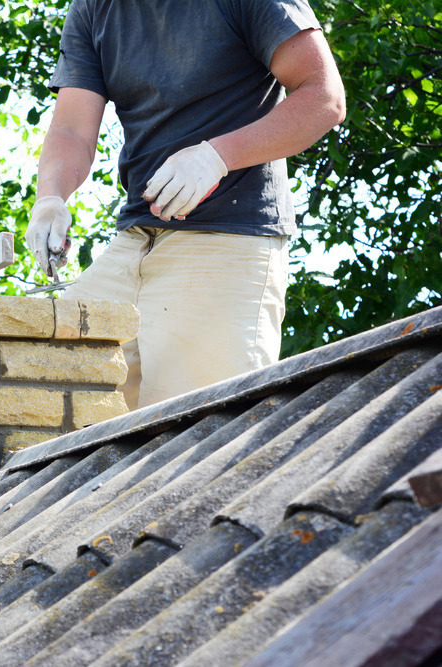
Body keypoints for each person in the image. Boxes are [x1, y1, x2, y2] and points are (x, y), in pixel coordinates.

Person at [26, 0, 346, 410]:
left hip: (228, 238)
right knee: (44, 394)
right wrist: (50, 198)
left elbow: (324, 97)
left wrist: (216, 156)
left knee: (197, 432)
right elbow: (71, 129)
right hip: (136, 240)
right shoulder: (93, 8)